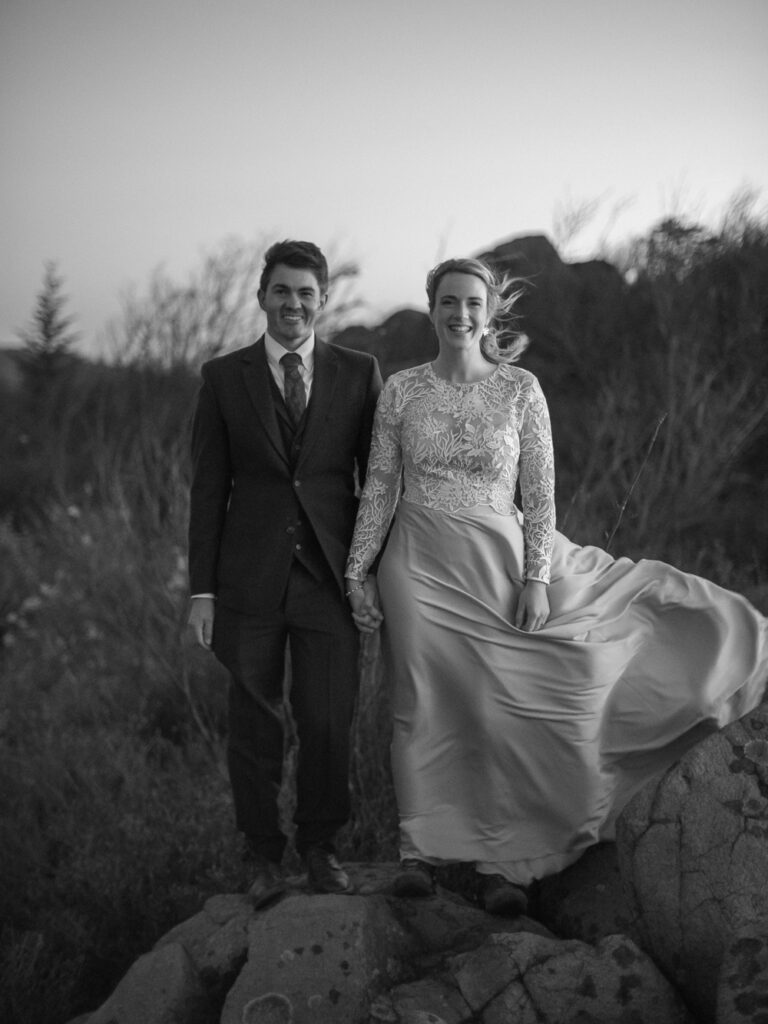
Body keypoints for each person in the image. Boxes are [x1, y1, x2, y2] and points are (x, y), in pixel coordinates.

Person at [345, 256, 768, 917]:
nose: (460, 313)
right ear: (432, 308)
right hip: (416, 564)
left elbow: (540, 495)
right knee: (420, 703)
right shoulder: (401, 390)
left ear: (489, 313)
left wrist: (537, 577)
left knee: (500, 706)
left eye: (472, 303)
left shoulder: (520, 389)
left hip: (498, 561)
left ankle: (502, 864)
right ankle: (419, 854)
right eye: (448, 301)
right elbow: (379, 485)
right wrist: (356, 570)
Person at [188, 239, 382, 904]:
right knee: (254, 722)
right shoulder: (222, 377)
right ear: (262, 297)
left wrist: (370, 574)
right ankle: (261, 857)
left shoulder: (359, 373)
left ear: (322, 299)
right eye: (281, 290)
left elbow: (377, 484)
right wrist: (202, 591)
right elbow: (208, 490)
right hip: (247, 581)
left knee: (328, 719)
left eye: (306, 292)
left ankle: (321, 848)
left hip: (329, 578)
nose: (293, 303)